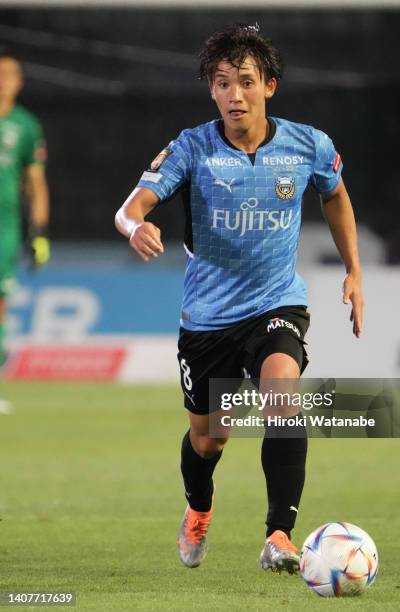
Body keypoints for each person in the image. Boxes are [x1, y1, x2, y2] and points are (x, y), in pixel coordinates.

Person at [115, 24, 363, 574]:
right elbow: (131, 205)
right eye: (222, 83)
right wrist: (133, 226)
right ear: (211, 91)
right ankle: (199, 509)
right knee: (208, 441)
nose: (234, 94)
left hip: (276, 304)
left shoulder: (307, 145)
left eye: (245, 82)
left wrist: (354, 269)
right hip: (206, 320)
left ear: (269, 86)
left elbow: (337, 195)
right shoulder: (192, 147)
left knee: (282, 392)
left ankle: (279, 535)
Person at [0, 54, 50, 366]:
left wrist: (39, 232)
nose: (2, 80)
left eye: (8, 74)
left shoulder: (26, 126)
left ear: (19, 82)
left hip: (5, 227)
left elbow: (36, 183)